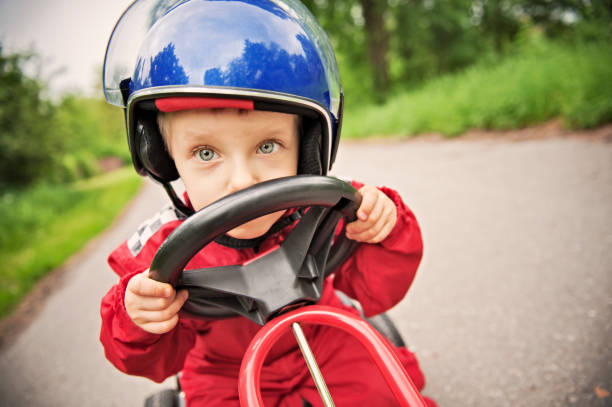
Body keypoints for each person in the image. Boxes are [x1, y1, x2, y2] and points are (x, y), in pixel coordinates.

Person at [99, 1, 436, 405]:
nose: (242, 181)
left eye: (267, 145)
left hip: (325, 339)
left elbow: (378, 290)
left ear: (309, 148)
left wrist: (385, 227)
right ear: (163, 157)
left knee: (388, 391)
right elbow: (153, 360)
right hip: (225, 370)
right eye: (206, 153)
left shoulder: (329, 208)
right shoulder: (158, 254)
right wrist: (139, 319)